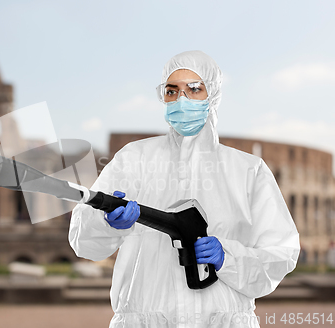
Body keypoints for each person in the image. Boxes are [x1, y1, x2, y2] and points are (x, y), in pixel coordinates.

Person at [68, 50, 300, 328]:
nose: (181, 100)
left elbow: (281, 252)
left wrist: (229, 257)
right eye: (171, 91)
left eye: (193, 89)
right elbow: (83, 242)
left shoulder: (248, 170)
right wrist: (107, 223)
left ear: (212, 94)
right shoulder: (134, 159)